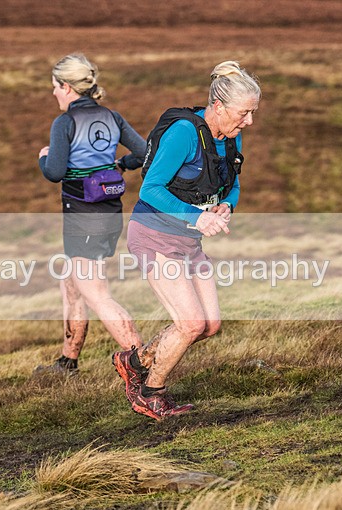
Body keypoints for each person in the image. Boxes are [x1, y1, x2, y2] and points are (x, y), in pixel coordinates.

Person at [112, 60, 261, 420]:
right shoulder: (183, 133)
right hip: (154, 235)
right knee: (190, 324)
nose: (249, 122)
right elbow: (151, 190)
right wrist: (198, 217)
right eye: (245, 113)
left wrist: (226, 205)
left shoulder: (229, 134)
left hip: (188, 242)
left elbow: (233, 183)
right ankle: (150, 392)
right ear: (219, 107)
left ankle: (134, 361)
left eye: (253, 113)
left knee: (209, 325)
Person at [36, 53, 145, 375]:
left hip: (82, 215)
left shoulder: (65, 122)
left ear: (67, 87)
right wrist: (120, 165)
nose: (54, 92)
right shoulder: (112, 117)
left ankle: (144, 362)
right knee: (71, 283)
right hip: (109, 213)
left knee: (96, 293)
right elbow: (142, 152)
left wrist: (43, 157)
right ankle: (68, 362)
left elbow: (54, 172)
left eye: (55, 87)